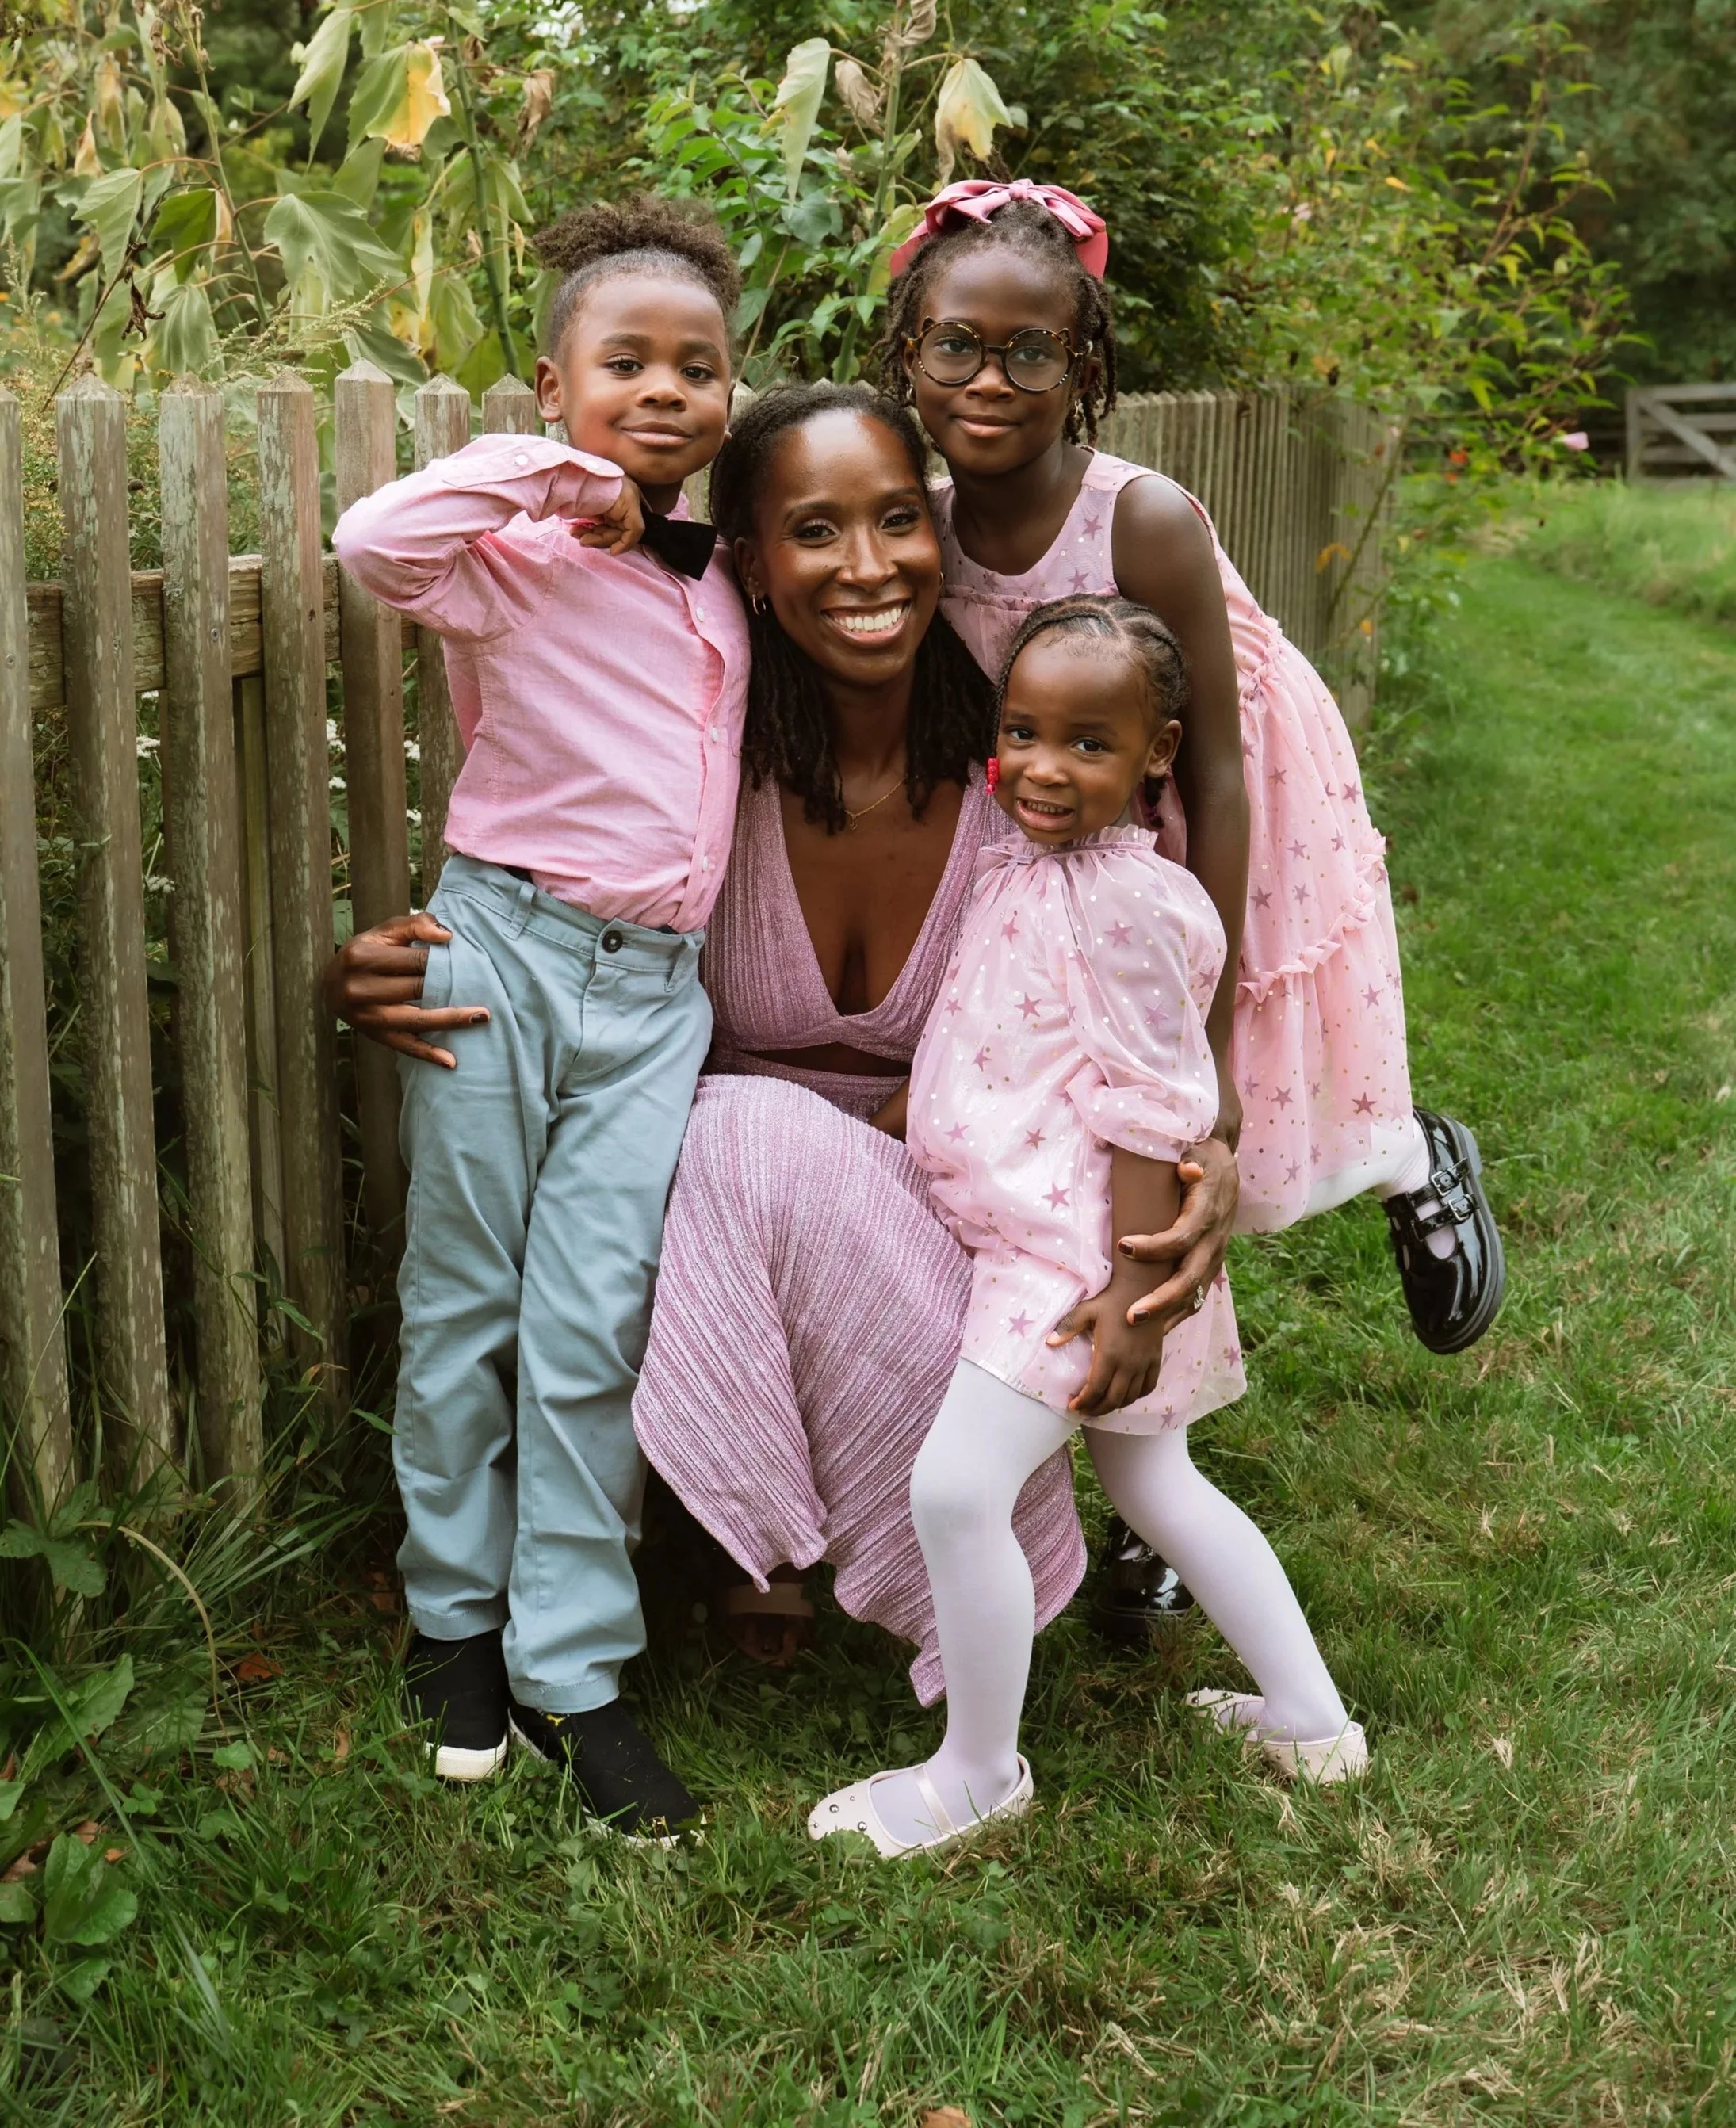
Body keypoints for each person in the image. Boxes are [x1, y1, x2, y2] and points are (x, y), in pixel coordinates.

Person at [327, 388, 1210, 1704]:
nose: (869, 566)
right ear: (747, 556)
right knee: (722, 1132)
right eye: (814, 530)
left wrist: (1218, 1143)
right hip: (700, 1241)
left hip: (948, 1251)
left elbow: (1150, 1012)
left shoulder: (1031, 788)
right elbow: (545, 888)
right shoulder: (699, 773)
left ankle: (815, 1534)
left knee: (742, 1128)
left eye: (900, 520)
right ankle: (724, 1527)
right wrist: (405, 958)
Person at [881, 175, 1505, 1637]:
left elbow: (1217, 774)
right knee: (1087, 1166)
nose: (991, 379)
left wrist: (1206, 1030)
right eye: (957, 345)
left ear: (1083, 368)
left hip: (1207, 797)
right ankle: (1124, 1486)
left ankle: (1412, 1158)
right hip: (1072, 807)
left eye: (1032, 352)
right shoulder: (923, 514)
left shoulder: (1141, 519)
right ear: (906, 348)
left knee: (1200, 1137)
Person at [809, 598, 1365, 1858]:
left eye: (1089, 744)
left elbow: (1145, 1109)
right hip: (1049, 1234)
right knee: (1153, 1479)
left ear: (1156, 753)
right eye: (1022, 733)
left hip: (1074, 1259)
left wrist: (1128, 1298)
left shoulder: (1129, 904)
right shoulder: (1033, 864)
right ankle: (1310, 1718)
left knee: (955, 1494)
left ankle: (975, 1770)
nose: (1044, 768)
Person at [329, 196, 748, 1840]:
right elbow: (369, 545)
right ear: (555, 379)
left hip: (654, 998)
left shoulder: (727, 593)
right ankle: (453, 1621)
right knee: (464, 1302)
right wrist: (549, 475)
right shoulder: (506, 562)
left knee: (594, 1326)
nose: (665, 390)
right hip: (500, 951)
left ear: (732, 394)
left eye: (699, 367)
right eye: (625, 363)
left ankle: (576, 1664)